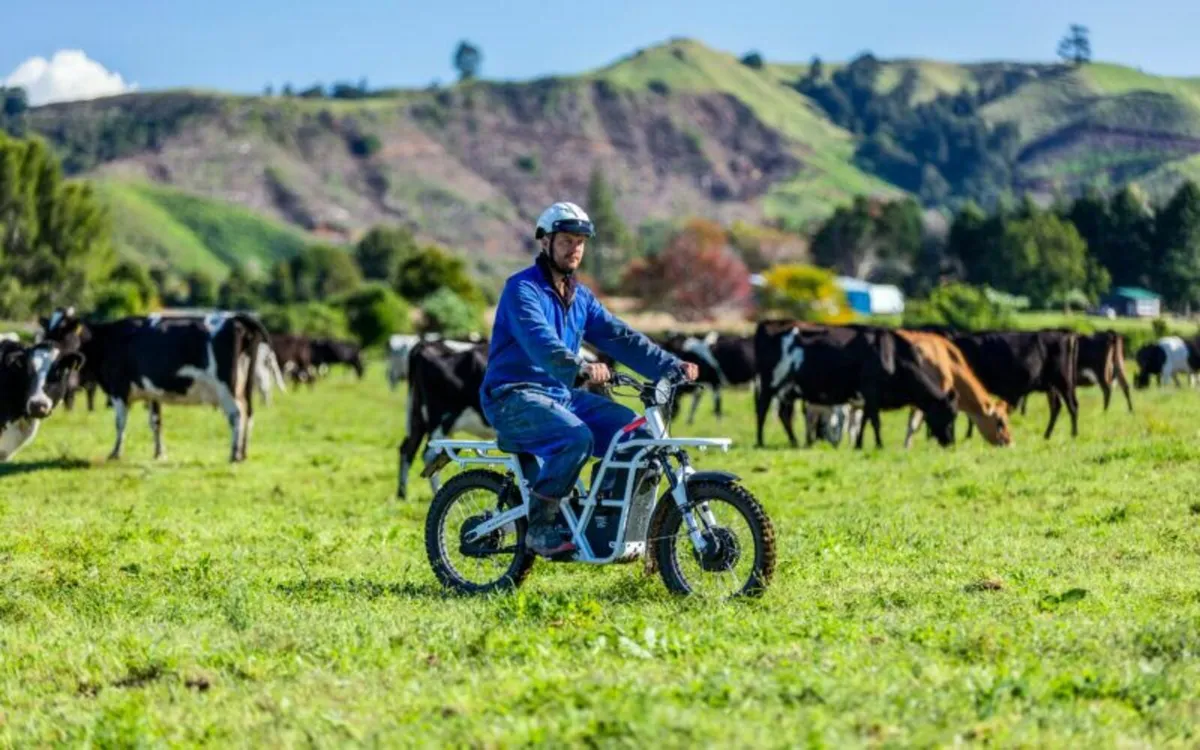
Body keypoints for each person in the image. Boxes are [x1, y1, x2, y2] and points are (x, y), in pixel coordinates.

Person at [480, 201, 699, 557]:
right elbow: (539, 341)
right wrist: (578, 367)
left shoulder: (581, 298)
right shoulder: (521, 290)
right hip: (513, 396)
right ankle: (540, 527)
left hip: (561, 396)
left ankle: (601, 522)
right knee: (575, 437)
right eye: (566, 240)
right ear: (544, 242)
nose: (575, 248)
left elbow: (620, 337)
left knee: (638, 436)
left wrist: (670, 365)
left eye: (581, 241)